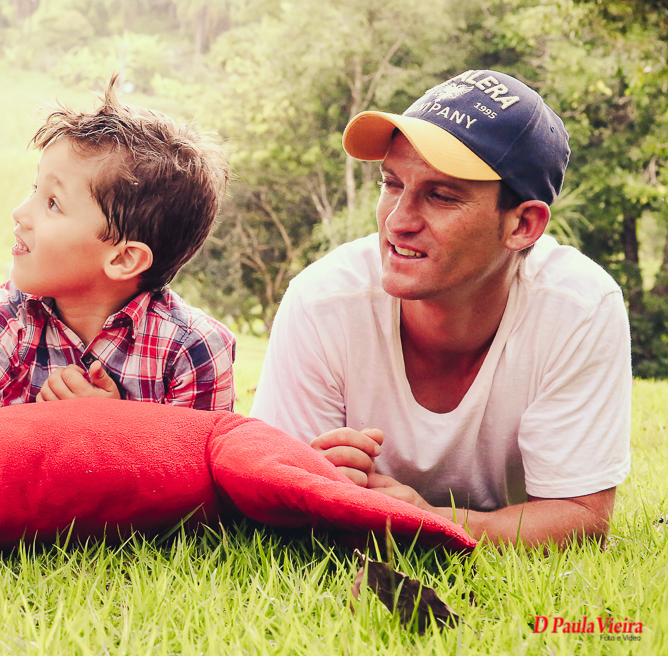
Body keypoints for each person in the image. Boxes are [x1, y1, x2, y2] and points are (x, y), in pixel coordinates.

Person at [250, 68, 631, 547]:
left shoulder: (579, 307)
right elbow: (272, 497)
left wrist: (430, 520)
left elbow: (581, 518)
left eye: (441, 195)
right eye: (391, 184)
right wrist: (316, 484)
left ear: (523, 225)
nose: (398, 221)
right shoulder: (323, 300)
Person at [0, 76, 236, 429]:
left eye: (53, 203)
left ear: (123, 258)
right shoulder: (15, 312)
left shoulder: (192, 349)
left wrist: (115, 427)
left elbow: (194, 475)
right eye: (34, 189)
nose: (20, 213)